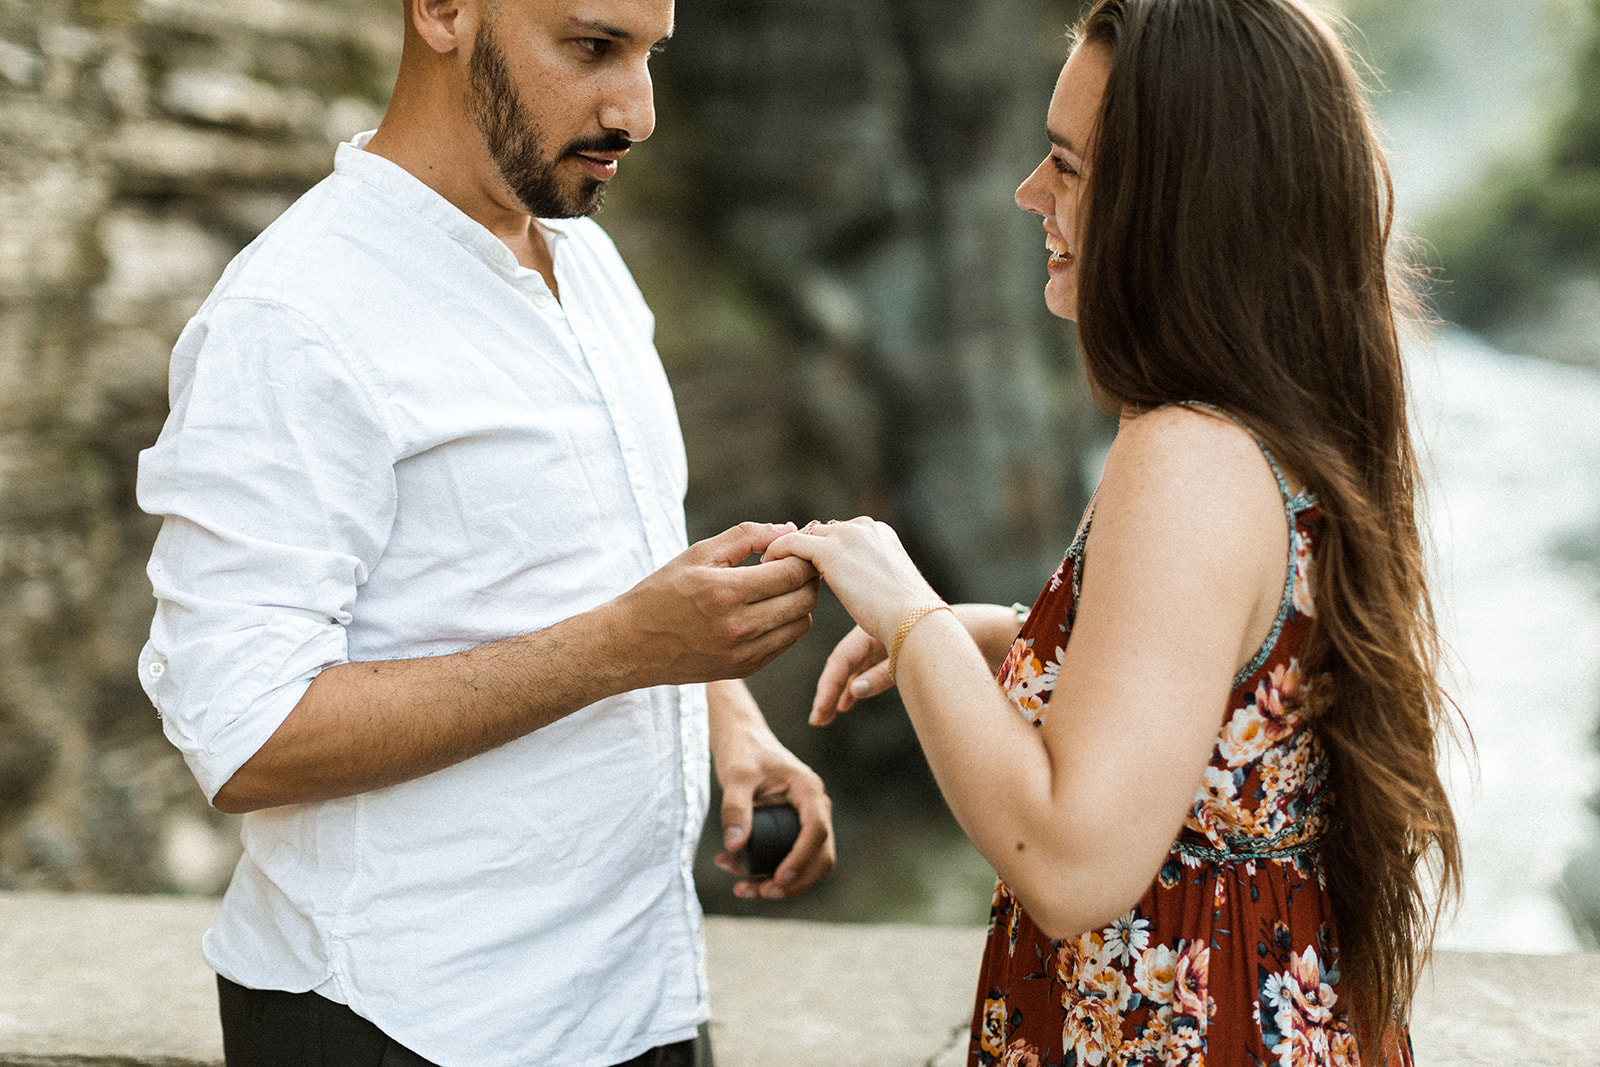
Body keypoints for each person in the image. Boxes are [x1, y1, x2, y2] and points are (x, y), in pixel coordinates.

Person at [135, 0, 835, 1063]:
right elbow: (246, 734)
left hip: (638, 995)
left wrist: (725, 715)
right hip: (409, 1021)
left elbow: (614, 552)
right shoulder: (291, 317)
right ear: (445, 11)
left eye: (649, 55)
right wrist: (627, 649)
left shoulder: (586, 261)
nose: (635, 110)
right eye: (593, 47)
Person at [766, 0, 1461, 1063]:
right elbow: (1231, 696)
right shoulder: (1277, 417)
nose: (1029, 194)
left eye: (1069, 168)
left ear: (1178, 205)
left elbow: (1069, 859)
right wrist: (1006, 638)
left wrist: (905, 611)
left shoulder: (1186, 452)